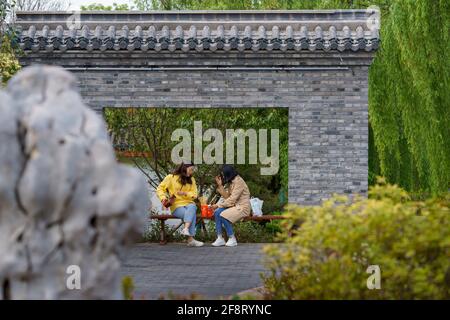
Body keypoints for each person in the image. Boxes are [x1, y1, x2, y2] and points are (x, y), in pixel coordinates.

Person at [156, 162, 204, 247]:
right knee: (191, 214)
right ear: (184, 168)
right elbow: (160, 188)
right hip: (176, 205)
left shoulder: (191, 179)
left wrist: (185, 193)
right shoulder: (171, 177)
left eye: (193, 170)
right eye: (191, 169)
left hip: (189, 203)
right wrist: (163, 198)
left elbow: (195, 194)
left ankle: (186, 229)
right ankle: (190, 239)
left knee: (193, 206)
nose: (192, 172)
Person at [210, 165, 251, 247]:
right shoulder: (231, 182)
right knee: (217, 212)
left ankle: (232, 238)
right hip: (235, 206)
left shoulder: (239, 182)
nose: (222, 176)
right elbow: (227, 198)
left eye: (223, 174)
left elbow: (232, 200)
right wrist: (220, 185)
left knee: (223, 215)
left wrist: (218, 205)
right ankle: (220, 238)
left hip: (243, 208)